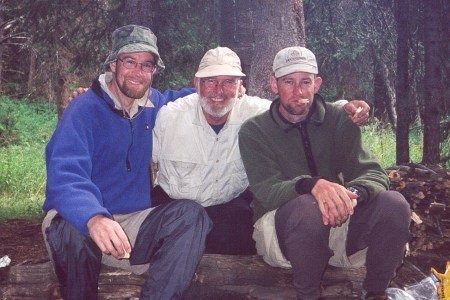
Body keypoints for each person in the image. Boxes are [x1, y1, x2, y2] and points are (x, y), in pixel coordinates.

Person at [42, 25, 212, 300]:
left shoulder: (154, 105)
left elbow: (184, 98)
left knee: (190, 215)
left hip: (130, 223)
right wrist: (94, 217)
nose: (138, 72)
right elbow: (65, 175)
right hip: (79, 218)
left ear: (154, 71)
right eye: (130, 62)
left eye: (147, 65)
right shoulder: (84, 109)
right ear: (113, 64)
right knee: (69, 226)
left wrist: (224, 91)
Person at [151, 47, 371, 255]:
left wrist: (347, 109)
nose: (219, 91)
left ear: (240, 86)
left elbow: (299, 105)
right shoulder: (169, 117)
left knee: (243, 240)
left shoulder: (256, 113)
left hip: (227, 209)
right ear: (196, 83)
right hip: (177, 207)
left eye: (229, 82)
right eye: (211, 81)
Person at [238, 46, 411, 300]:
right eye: (288, 82)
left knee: (394, 203)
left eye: (305, 82)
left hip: (338, 225)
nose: (298, 92)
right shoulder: (254, 131)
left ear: (317, 84)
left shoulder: (340, 118)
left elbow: (373, 173)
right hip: (280, 231)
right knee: (307, 206)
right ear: (274, 85)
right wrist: (311, 185)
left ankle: (376, 292)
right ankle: (308, 295)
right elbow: (266, 191)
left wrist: (349, 195)